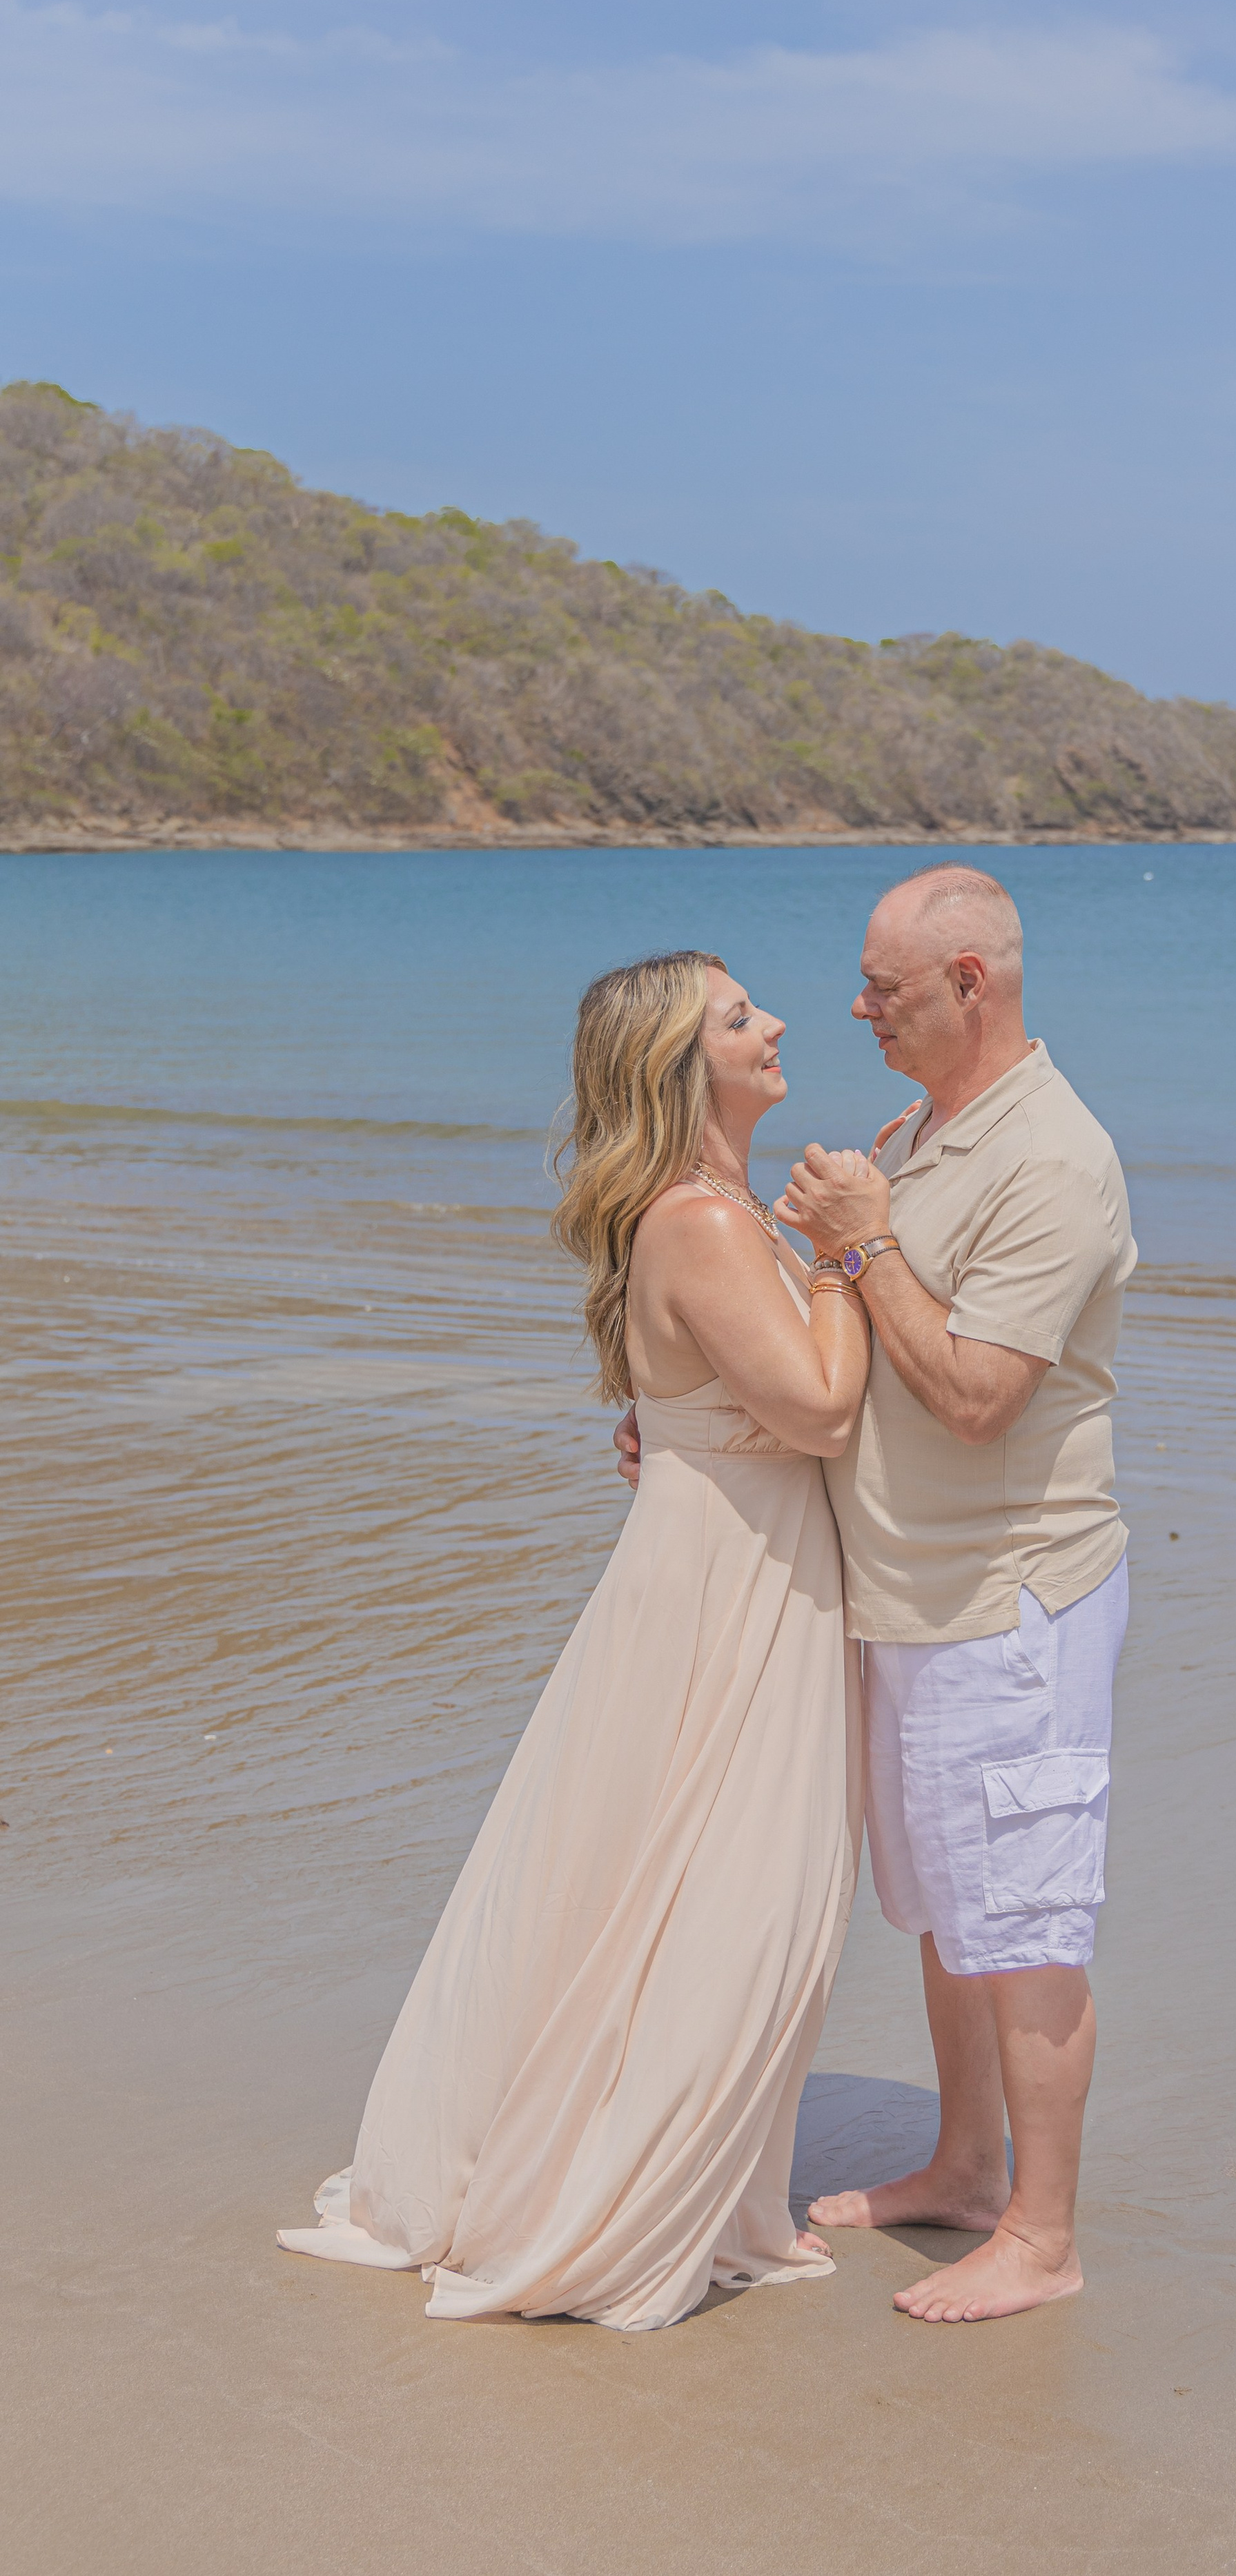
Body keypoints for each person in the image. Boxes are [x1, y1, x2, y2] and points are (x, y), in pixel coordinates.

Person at [277, 950, 872, 2332]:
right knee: (722, 1895)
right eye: (739, 1017)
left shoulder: (717, 1210)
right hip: (729, 1583)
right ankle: (606, 2186)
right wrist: (852, 1248)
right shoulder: (709, 1223)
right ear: (683, 1067)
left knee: (673, 1888)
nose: (773, 1022)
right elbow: (822, 1413)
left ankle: (647, 2158)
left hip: (734, 1563)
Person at [617, 865, 1136, 2324]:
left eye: (884, 988)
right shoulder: (928, 1126)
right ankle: (966, 2166)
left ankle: (1040, 2235)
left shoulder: (1053, 1158)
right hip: (903, 1594)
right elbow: (811, 1335)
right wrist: (685, 1413)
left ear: (967, 981)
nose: (855, 1010)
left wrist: (859, 1236)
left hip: (1006, 1594)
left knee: (1025, 1920)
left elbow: (972, 1392)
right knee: (944, 1907)